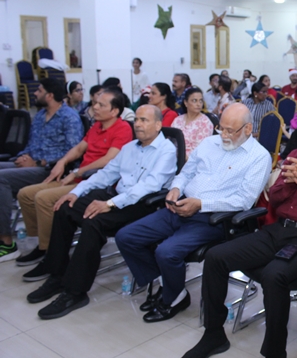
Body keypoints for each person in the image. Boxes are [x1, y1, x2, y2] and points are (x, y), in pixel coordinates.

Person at [182, 104, 297, 358]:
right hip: (278, 230)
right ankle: (213, 335)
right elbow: (275, 199)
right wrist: (291, 182)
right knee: (215, 257)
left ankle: (274, 351)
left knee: (273, 275)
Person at [116, 104, 271, 323]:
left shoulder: (259, 157)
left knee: (166, 252)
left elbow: (244, 200)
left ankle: (173, 298)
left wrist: (200, 204)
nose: (224, 135)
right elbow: (185, 173)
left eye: (230, 131)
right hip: (180, 206)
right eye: (221, 128)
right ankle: (169, 285)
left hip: (214, 219)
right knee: (126, 237)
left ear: (247, 129)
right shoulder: (209, 143)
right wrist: (175, 188)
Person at [26, 105, 177, 319]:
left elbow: (149, 187)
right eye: (136, 120)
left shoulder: (167, 151)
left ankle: (75, 292)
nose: (138, 124)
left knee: (94, 221)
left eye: (144, 120)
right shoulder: (130, 148)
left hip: (143, 205)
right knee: (65, 208)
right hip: (118, 197)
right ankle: (57, 275)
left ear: (158, 125)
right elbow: (106, 174)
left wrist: (110, 204)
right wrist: (76, 192)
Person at [16, 90, 131, 274]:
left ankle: (50, 255)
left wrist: (78, 171)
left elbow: (109, 160)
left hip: (95, 181)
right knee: (26, 194)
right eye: (96, 103)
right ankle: (44, 243)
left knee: (43, 198)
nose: (95, 107)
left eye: (101, 105)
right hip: (78, 177)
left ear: (114, 111)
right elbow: (78, 149)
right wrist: (62, 162)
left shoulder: (122, 129)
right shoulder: (97, 126)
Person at [0, 78, 84, 262]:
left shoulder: (69, 117)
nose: (35, 93)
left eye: (39, 90)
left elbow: (72, 151)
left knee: (1, 178)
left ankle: (6, 242)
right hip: (30, 164)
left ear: (50, 95)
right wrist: (23, 157)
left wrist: (38, 162)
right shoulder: (40, 116)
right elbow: (31, 144)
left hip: (50, 169)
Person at [171, 88, 214, 158]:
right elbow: (171, 141)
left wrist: (181, 157)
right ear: (186, 102)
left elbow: (200, 150)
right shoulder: (178, 120)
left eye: (201, 101)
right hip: (172, 156)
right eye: (194, 101)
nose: (198, 104)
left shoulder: (205, 122)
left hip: (192, 160)